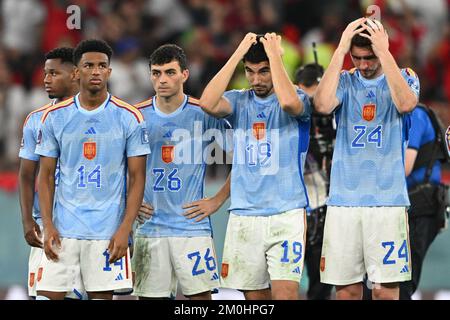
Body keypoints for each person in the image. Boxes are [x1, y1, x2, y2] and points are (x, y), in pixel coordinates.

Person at [198, 32, 312, 300]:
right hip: (245, 214)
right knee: (254, 298)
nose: (256, 79)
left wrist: (275, 56)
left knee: (286, 294)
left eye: (263, 72)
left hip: (287, 211)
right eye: (250, 72)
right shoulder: (239, 101)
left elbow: (288, 102)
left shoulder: (300, 99)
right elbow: (207, 102)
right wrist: (237, 53)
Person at [314, 17, 420, 300]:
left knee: (386, 291)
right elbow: (322, 104)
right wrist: (339, 50)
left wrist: (384, 53)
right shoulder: (345, 81)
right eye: (357, 57)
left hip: (388, 202)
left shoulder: (405, 76)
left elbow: (407, 104)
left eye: (370, 57)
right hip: (344, 201)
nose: (363, 64)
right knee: (346, 291)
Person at [35, 39, 150, 300]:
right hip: (63, 232)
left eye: (102, 66)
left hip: (106, 233)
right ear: (77, 72)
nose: (96, 71)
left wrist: (125, 228)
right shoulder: (55, 117)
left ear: (109, 71)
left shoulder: (129, 117)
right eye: (89, 65)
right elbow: (45, 177)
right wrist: (48, 224)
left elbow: (137, 177)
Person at [132, 44, 230, 300]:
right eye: (156, 73)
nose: (162, 79)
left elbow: (242, 159)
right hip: (149, 227)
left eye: (170, 72)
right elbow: (117, 166)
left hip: (192, 226)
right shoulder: (136, 117)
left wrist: (217, 200)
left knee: (200, 301)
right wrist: (128, 201)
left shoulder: (203, 113)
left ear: (185, 74)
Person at [18, 47, 87, 299]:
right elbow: (26, 175)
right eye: (45, 73)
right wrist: (27, 221)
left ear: (75, 74)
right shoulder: (36, 119)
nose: (46, 79)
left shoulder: (99, 117)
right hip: (48, 227)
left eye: (54, 73)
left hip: (88, 226)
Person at [294, 63, 334, 300]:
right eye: (307, 90)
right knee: (282, 282)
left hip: (329, 209)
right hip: (294, 209)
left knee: (322, 287)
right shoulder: (290, 116)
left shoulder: (338, 116)